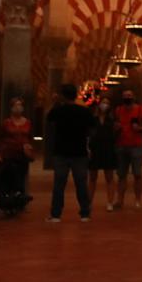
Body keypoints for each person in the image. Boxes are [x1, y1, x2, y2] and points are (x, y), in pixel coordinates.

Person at [45, 84, 96, 223]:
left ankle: (56, 215)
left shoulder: (58, 111)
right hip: (79, 152)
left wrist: (54, 103)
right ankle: (85, 214)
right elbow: (93, 128)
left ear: (62, 95)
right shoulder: (84, 111)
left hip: (61, 151)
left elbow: (48, 118)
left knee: (59, 184)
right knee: (81, 184)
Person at [113, 89, 142, 210]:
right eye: (125, 96)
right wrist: (116, 128)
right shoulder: (118, 110)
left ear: (134, 97)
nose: (127, 98)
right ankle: (120, 200)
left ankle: (138, 200)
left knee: (137, 174)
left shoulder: (141, 110)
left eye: (129, 95)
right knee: (121, 175)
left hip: (137, 145)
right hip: (121, 144)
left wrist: (139, 128)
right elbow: (113, 126)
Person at [0, 96, 34, 205]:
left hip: (22, 154)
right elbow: (1, 137)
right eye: (16, 105)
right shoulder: (6, 123)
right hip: (8, 154)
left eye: (20, 105)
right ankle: (7, 196)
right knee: (8, 174)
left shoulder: (28, 123)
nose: (18, 107)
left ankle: (19, 195)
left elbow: (29, 137)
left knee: (21, 174)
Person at [88, 95, 119, 211]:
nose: (104, 105)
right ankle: (89, 202)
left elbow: (116, 135)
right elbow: (88, 134)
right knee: (92, 177)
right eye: (103, 102)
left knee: (109, 177)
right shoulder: (93, 119)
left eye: (107, 103)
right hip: (95, 149)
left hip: (108, 149)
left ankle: (110, 202)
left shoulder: (112, 120)